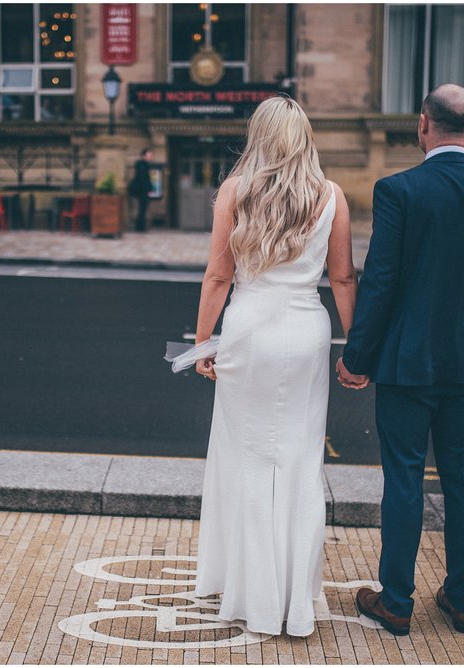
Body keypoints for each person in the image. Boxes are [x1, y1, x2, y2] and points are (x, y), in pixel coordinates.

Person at [336, 84, 464, 636]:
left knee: (404, 477)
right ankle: (462, 598)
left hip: (406, 363)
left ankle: (396, 600)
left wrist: (358, 357)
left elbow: (382, 283)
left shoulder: (399, 190)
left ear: (423, 124)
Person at [191, 95, 360, 637]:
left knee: (244, 457)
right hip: (306, 333)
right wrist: (356, 346)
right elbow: (342, 280)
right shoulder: (332, 196)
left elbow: (218, 277)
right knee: (298, 461)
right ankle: (294, 599)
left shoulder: (235, 192)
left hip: (249, 330)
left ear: (257, 138)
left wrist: (203, 341)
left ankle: (248, 591)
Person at [130, 148, 154, 232]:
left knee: (143, 208)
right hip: (141, 190)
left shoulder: (144, 164)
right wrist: (148, 188)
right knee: (142, 208)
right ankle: (140, 227)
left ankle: (140, 226)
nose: (150, 157)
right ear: (143, 156)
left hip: (143, 189)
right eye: (149, 155)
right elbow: (143, 178)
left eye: (151, 155)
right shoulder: (141, 165)